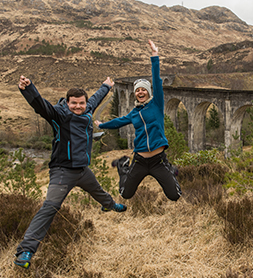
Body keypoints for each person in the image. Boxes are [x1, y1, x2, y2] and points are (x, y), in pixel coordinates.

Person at [13, 75, 126, 269]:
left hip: (82, 170)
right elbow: (41, 106)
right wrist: (28, 88)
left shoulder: (87, 108)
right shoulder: (59, 115)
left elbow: (95, 99)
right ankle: (25, 251)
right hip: (62, 172)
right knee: (49, 208)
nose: (78, 107)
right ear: (67, 102)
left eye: (81, 103)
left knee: (98, 191)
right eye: (74, 103)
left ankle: (110, 205)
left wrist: (106, 86)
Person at [97, 40, 181, 202]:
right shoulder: (134, 113)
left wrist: (154, 56)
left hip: (158, 160)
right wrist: (102, 125)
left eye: (143, 89)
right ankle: (123, 166)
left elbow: (156, 80)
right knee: (125, 194)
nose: (140, 92)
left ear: (148, 92)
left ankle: (170, 169)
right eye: (137, 90)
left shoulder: (157, 104)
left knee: (175, 195)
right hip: (140, 160)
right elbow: (119, 122)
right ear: (135, 94)